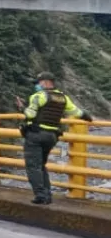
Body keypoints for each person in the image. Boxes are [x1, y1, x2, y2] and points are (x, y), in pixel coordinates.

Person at [18, 71, 92, 205]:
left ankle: (40, 195)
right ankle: (47, 195)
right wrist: (87, 116)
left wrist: (22, 107)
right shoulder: (63, 97)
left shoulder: (38, 96)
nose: (37, 86)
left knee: (33, 167)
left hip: (36, 134)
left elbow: (30, 114)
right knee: (41, 165)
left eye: (38, 83)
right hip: (52, 136)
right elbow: (76, 112)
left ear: (45, 82)